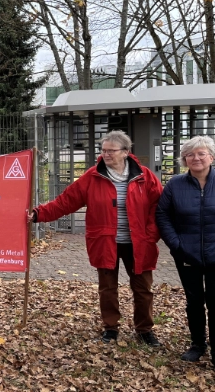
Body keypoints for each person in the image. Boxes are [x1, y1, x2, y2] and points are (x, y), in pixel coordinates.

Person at [28, 130, 163, 346]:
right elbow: (66, 201)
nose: (106, 155)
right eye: (103, 150)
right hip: (105, 242)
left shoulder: (145, 176)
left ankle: (144, 330)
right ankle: (110, 328)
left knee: (143, 288)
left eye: (111, 151)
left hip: (139, 243)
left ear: (126, 152)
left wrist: (151, 235)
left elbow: (159, 207)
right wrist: (39, 214)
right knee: (107, 288)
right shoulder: (92, 176)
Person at [156, 136, 215, 363]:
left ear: (211, 156)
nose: (196, 158)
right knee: (194, 301)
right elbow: (162, 215)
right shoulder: (175, 184)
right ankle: (197, 344)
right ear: (184, 159)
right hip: (187, 254)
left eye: (201, 153)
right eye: (190, 154)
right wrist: (176, 245)